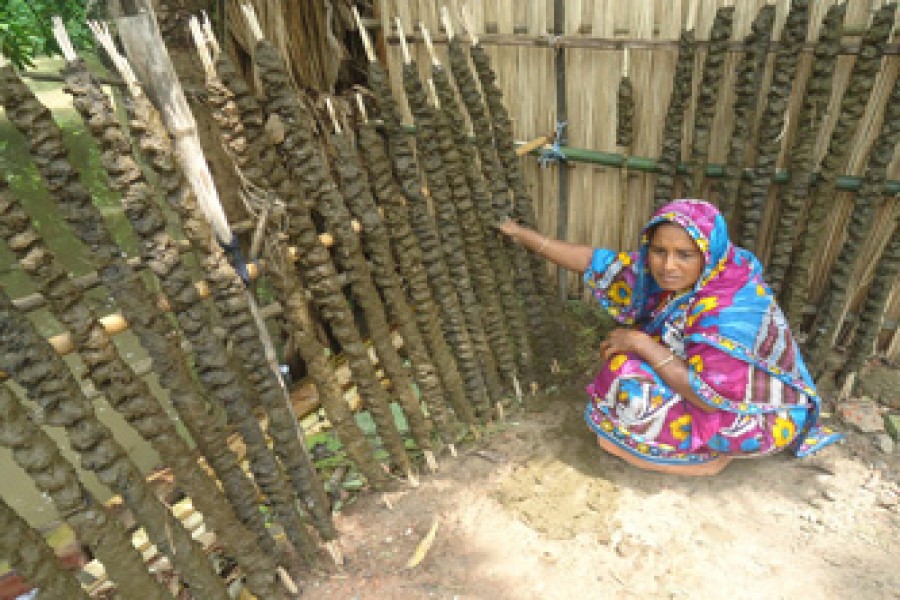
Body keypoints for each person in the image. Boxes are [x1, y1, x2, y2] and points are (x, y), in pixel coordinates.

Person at [499, 199, 841, 476]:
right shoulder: (673, 277)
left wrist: (642, 343)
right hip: (702, 386)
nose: (668, 266)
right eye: (659, 251)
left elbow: (710, 397)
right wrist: (521, 234)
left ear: (707, 254)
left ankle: (708, 459)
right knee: (622, 369)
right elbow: (594, 261)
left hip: (757, 415)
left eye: (684, 255)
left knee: (629, 377)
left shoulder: (728, 307)